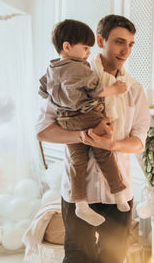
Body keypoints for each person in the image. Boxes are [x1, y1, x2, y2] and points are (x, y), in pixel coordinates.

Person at [36, 15, 150, 263]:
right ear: (100, 40)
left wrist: (112, 145)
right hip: (79, 195)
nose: (125, 50)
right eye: (120, 41)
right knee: (77, 258)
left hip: (119, 196)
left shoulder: (135, 89)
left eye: (131, 44)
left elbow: (140, 140)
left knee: (113, 259)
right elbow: (43, 132)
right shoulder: (67, 79)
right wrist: (82, 136)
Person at [38, 19, 130, 227]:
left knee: (77, 162)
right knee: (104, 154)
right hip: (87, 116)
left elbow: (43, 90)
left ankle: (80, 204)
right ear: (67, 47)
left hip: (65, 121)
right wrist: (116, 89)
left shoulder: (51, 68)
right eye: (86, 48)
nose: (88, 52)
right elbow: (97, 91)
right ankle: (118, 194)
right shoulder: (79, 68)